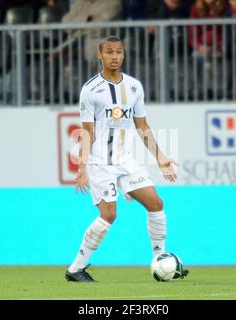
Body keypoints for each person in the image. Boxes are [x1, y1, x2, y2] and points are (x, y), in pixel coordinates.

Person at [65, 36, 188, 282]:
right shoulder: (91, 90)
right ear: (100, 55)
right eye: (109, 52)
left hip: (126, 159)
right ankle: (75, 269)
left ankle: (160, 259)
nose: (115, 56)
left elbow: (142, 125)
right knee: (109, 215)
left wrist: (160, 156)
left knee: (156, 203)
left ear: (124, 54)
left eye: (119, 52)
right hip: (100, 161)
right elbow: (86, 131)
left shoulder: (133, 87)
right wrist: (82, 167)